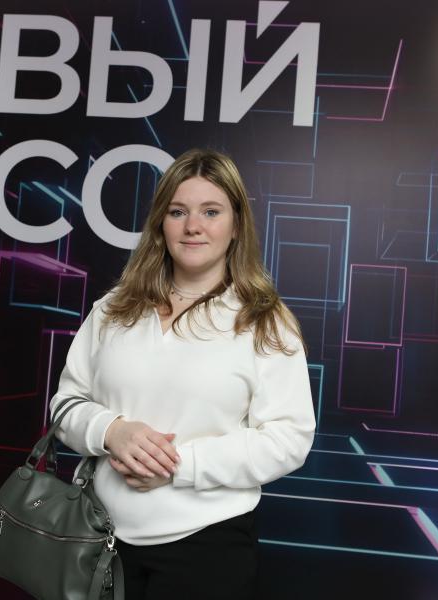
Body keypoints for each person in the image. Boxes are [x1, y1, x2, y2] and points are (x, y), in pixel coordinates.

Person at [48, 149, 315, 599]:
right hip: (96, 540)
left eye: (211, 212)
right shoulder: (112, 309)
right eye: (178, 212)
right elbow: (65, 406)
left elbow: (289, 439)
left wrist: (178, 466)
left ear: (236, 226)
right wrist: (112, 430)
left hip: (208, 548)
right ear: (161, 224)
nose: (193, 226)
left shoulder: (265, 321)